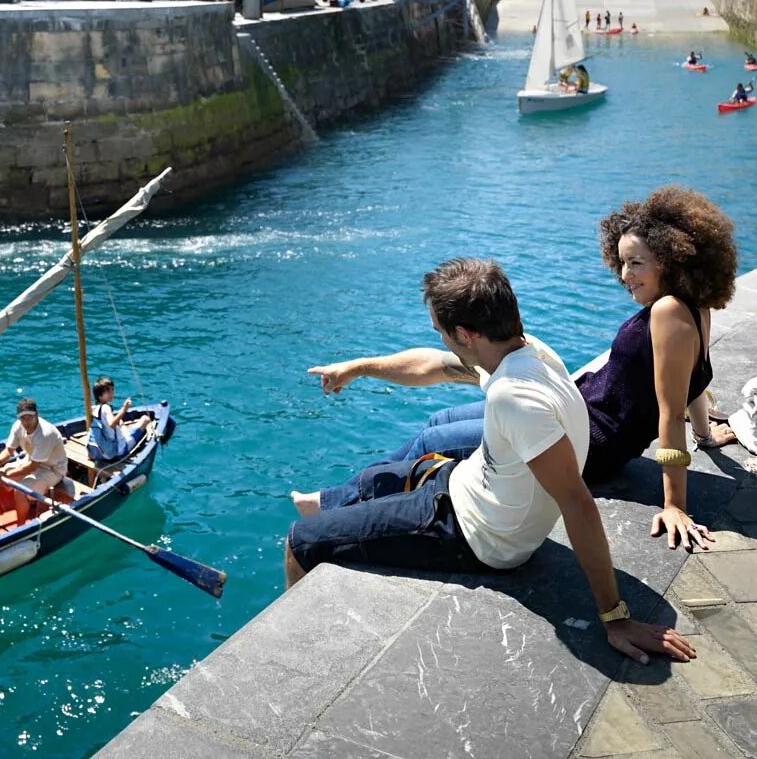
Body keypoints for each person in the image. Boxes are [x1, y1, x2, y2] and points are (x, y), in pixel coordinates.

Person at [288, 259, 695, 665]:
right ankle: (324, 504)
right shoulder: (524, 350)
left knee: (301, 541)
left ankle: (295, 660)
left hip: (472, 534)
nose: (442, 341)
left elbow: (577, 502)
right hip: (465, 484)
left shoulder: (515, 398)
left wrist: (615, 617)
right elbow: (436, 366)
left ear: (465, 334)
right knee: (374, 478)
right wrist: (358, 368)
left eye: (442, 333)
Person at [577, 188, 738, 550]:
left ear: (670, 259)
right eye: (621, 262)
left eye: (636, 263)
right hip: (576, 416)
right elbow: (694, 381)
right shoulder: (694, 306)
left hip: (586, 443)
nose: (625, 274)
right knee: (445, 428)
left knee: (438, 436)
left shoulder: (667, 312)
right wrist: (705, 436)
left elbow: (669, 412)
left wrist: (674, 506)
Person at [0, 398, 67, 521]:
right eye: (22, 418)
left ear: (37, 415)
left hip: (52, 469)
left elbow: (32, 467)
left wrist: (5, 473)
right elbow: (9, 450)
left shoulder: (45, 434)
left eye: (29, 417)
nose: (26, 421)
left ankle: (20, 526)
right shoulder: (18, 426)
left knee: (20, 491)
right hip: (30, 460)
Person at [88, 376, 150, 461]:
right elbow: (111, 424)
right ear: (100, 396)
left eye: (112, 390)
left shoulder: (94, 409)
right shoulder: (106, 407)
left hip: (100, 452)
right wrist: (124, 409)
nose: (111, 393)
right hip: (117, 450)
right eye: (107, 391)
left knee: (121, 423)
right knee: (145, 419)